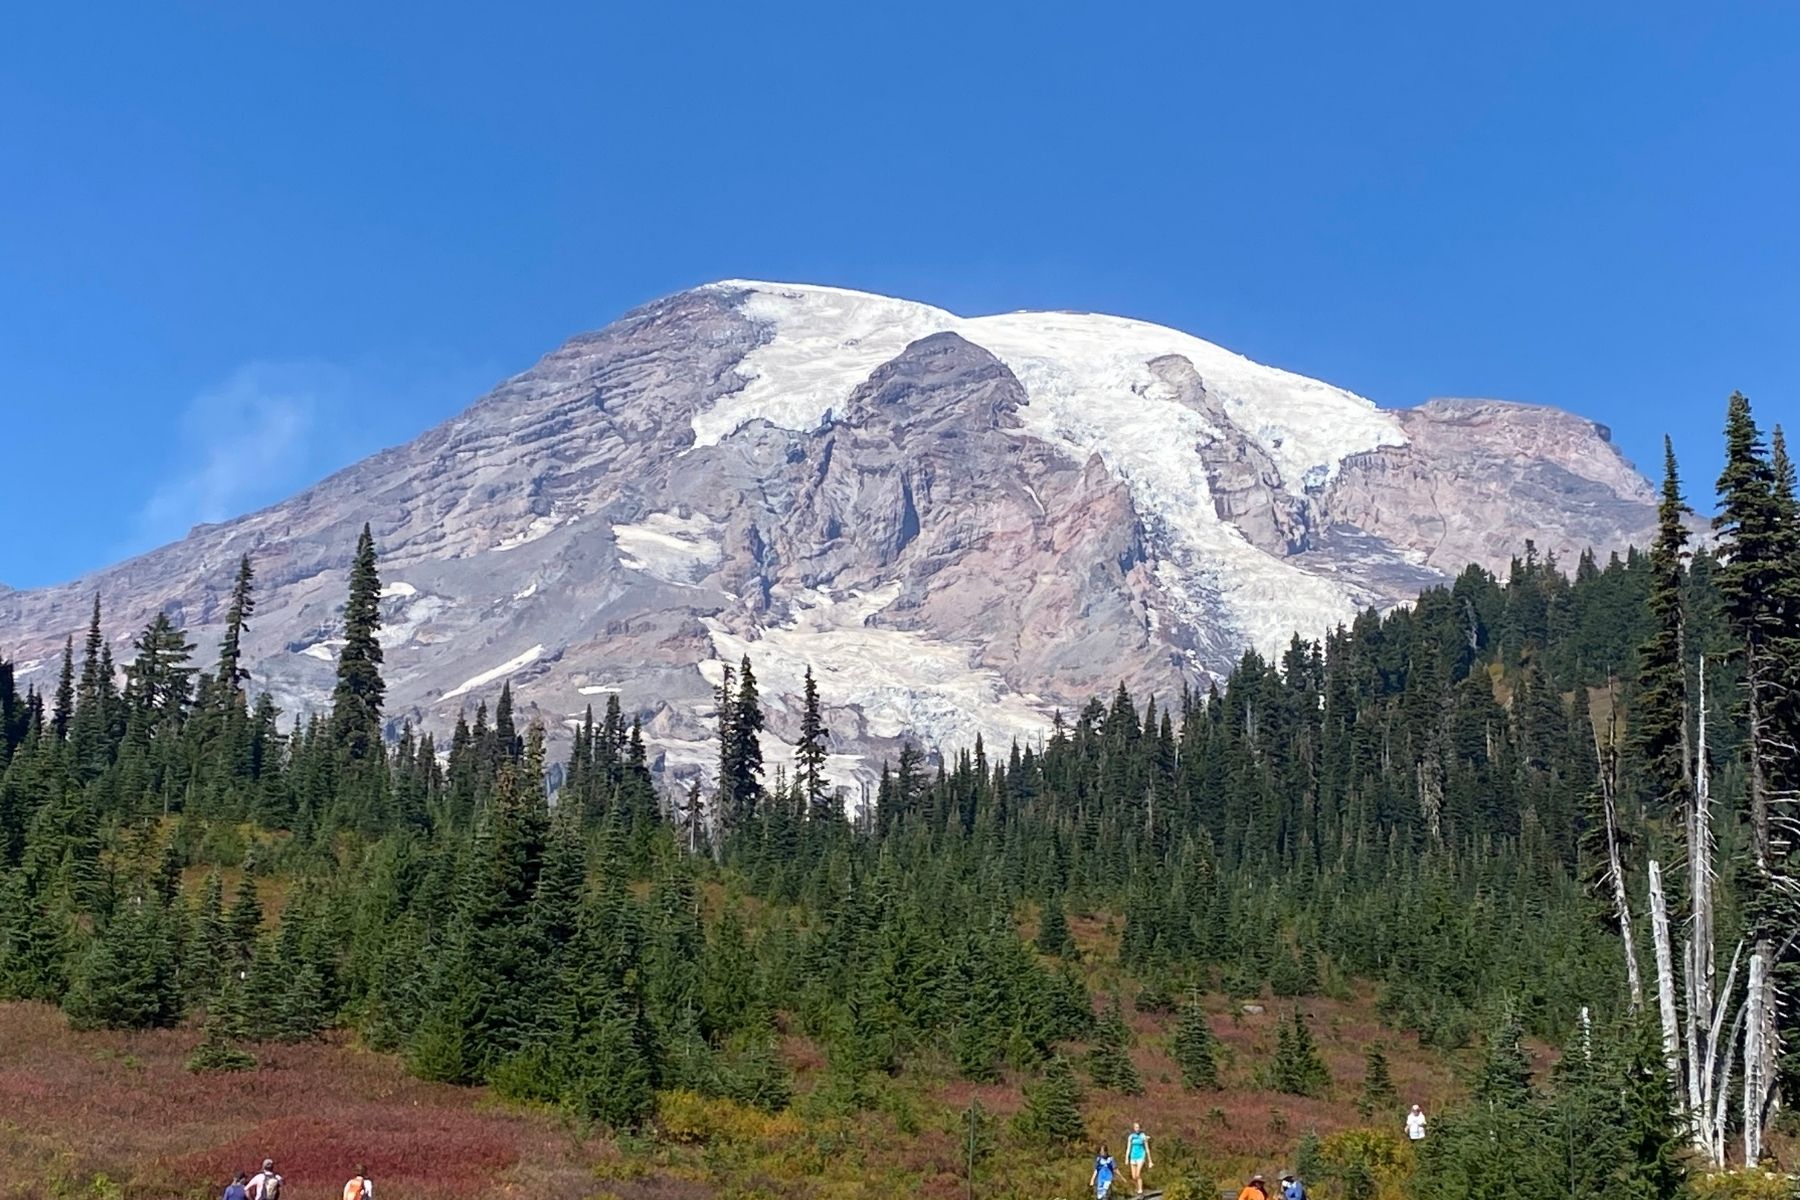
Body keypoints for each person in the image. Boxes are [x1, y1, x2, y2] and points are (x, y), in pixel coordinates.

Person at [1125, 1121, 1153, 1195]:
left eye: (1138, 1127)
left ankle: (1140, 1189)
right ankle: (1137, 1188)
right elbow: (1128, 1148)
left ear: (1140, 1128)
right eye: (1136, 1127)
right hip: (1133, 1156)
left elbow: (1147, 1149)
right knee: (1134, 1177)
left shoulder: (1143, 1136)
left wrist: (1150, 1161)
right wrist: (1127, 1158)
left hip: (1141, 1156)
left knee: (1138, 1174)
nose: (1137, 1129)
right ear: (1134, 1128)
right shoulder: (1131, 1137)